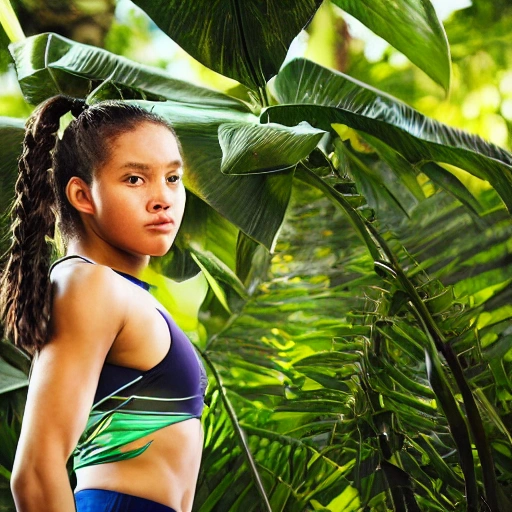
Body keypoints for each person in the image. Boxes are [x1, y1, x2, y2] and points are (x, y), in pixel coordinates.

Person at [0, 95, 207, 512]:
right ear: (82, 195)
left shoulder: (115, 290)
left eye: (172, 178)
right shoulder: (88, 283)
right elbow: (37, 473)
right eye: (135, 179)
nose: (162, 198)